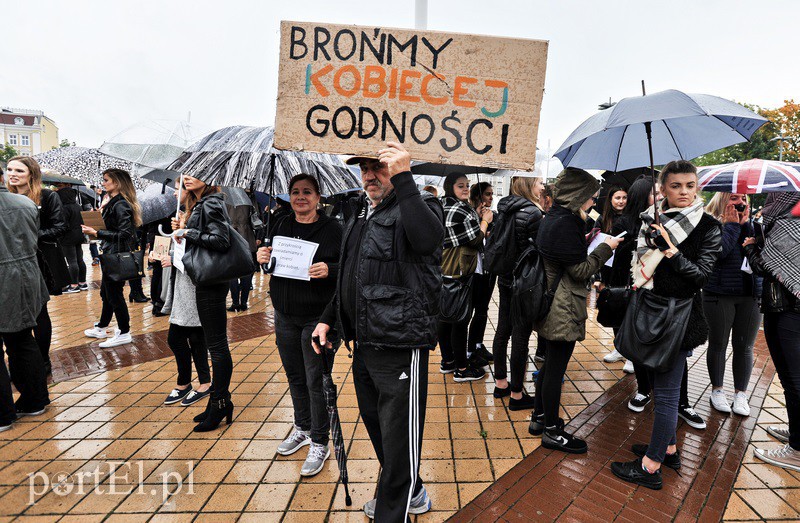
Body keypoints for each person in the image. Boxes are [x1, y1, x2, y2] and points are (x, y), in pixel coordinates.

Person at [313, 142, 444, 521]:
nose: (370, 175)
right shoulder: (360, 215)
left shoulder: (419, 206)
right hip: (366, 344)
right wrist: (330, 319)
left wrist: (404, 178)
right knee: (380, 429)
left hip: (402, 344)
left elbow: (428, 240)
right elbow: (351, 279)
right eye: (365, 168)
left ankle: (394, 511)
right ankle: (412, 490)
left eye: (379, 167)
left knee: (400, 440)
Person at [611, 160, 722, 490]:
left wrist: (671, 251)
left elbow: (701, 275)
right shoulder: (652, 219)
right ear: (663, 189)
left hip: (680, 318)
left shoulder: (707, 226)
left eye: (690, 185)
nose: (684, 192)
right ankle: (668, 449)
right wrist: (653, 239)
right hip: (652, 310)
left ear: (697, 186)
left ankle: (650, 466)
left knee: (669, 393)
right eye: (676, 186)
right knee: (662, 390)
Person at [529, 168, 622, 453]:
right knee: (556, 368)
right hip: (563, 303)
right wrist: (605, 248)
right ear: (577, 195)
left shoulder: (553, 216)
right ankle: (552, 432)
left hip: (551, 298)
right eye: (590, 196)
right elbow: (580, 269)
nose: (593, 202)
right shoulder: (566, 223)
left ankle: (539, 417)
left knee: (550, 365)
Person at [257, 174, 343, 477]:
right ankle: (303, 427)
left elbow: (349, 267)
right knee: (294, 376)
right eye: (295, 192)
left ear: (319, 197)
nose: (300, 197)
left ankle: (320, 440)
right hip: (284, 314)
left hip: (317, 318)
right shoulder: (280, 224)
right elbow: (272, 264)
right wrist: (262, 256)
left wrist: (329, 269)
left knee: (315, 379)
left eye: (307, 192)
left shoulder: (333, 229)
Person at [173, 175, 235, 432]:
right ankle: (217, 402)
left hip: (211, 281)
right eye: (185, 175)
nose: (187, 179)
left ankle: (220, 402)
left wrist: (188, 231)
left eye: (194, 174)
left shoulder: (210, 202)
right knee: (215, 344)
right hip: (207, 280)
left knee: (217, 346)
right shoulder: (202, 203)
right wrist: (183, 227)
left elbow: (221, 241)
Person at [745, 192, 800, 472]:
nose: (771, 196)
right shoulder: (784, 219)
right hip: (787, 307)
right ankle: (795, 432)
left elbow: (766, 265)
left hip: (791, 309)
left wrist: (752, 247)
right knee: (792, 378)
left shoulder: (792, 220)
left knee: (794, 379)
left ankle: (798, 450)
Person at [6, 156, 67, 374]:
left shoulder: (47, 196)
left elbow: (60, 227)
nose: (13, 174)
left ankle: (42, 360)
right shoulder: (6, 197)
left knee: (40, 312)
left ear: (31, 174)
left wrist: (30, 236)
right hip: (12, 264)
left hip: (41, 260)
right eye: (9, 169)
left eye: (19, 171)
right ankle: (23, 360)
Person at [703, 192, 761, 416]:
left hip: (750, 294)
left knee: (745, 346)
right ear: (722, 200)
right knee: (718, 344)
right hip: (719, 294)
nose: (741, 203)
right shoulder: (708, 223)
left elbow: (758, 254)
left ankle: (741, 394)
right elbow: (718, 253)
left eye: (744, 198)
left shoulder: (753, 225)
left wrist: (746, 226)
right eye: (735, 198)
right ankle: (717, 390)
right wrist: (731, 226)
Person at [0, 176, 51, 427]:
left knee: (19, 340)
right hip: (27, 275)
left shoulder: (24, 203)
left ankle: (4, 414)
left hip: (6, 277)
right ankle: (35, 400)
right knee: (21, 338)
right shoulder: (24, 203)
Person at [491, 176, 544, 410]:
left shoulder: (504, 207)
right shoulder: (533, 213)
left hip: (504, 277)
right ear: (528, 185)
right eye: (539, 182)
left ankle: (501, 383)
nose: (542, 186)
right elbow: (537, 249)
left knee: (502, 330)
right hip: (523, 281)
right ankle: (517, 395)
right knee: (520, 336)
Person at [157, 180, 211, 408]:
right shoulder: (192, 209)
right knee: (193, 334)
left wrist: (185, 231)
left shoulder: (207, 206)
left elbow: (211, 243)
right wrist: (179, 231)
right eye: (181, 181)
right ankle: (198, 382)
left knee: (180, 336)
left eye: (183, 183)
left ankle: (189, 382)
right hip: (184, 279)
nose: (180, 186)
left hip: (193, 280)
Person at [438, 173, 491, 381]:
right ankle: (461, 369)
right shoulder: (461, 209)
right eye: (461, 186)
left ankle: (448, 361)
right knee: (460, 321)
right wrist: (484, 221)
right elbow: (476, 238)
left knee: (445, 318)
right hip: (459, 271)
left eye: (467, 185)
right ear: (450, 187)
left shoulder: (442, 205)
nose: (466, 189)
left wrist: (475, 216)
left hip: (442, 268)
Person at [82, 168, 141, 348]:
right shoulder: (113, 202)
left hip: (116, 254)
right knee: (106, 293)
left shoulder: (121, 204)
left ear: (117, 182)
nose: (103, 183)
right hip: (110, 252)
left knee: (114, 295)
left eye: (106, 180)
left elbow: (124, 234)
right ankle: (102, 326)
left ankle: (124, 332)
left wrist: (97, 232)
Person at [466, 181, 496, 364]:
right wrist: (482, 222)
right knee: (472, 311)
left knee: (483, 310)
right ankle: (469, 350)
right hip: (473, 270)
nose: (491, 197)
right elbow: (474, 241)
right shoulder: (470, 215)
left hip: (488, 269)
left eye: (492, 194)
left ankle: (477, 344)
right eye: (487, 194)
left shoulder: (493, 216)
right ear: (478, 196)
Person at [227, 200, 258, 312]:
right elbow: (257, 220)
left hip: (231, 237)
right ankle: (244, 303)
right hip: (247, 237)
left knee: (232, 273)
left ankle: (235, 303)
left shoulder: (225, 200)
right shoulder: (248, 200)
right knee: (246, 272)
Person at [57, 187, 88, 293]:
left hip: (68, 237)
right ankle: (82, 283)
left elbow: (63, 224)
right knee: (80, 259)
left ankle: (74, 285)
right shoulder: (77, 206)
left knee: (72, 261)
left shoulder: (65, 208)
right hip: (79, 235)